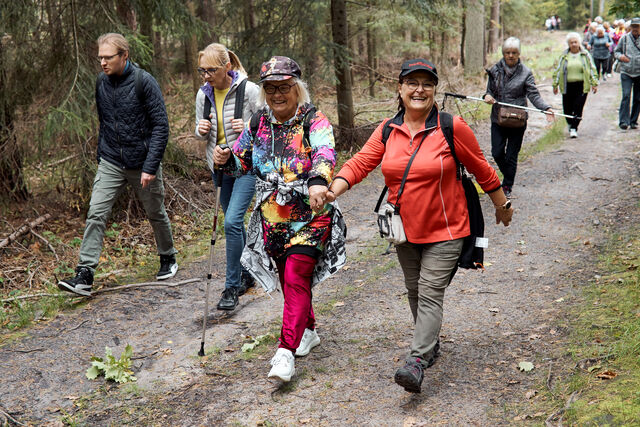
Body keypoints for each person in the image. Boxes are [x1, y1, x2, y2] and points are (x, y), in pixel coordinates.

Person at [323, 59, 513, 393]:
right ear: (400, 89)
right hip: (404, 230)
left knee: (428, 291)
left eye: (427, 83)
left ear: (434, 89)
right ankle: (430, 343)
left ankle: (417, 359)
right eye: (412, 83)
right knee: (415, 290)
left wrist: (502, 204)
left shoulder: (451, 127)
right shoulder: (387, 130)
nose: (419, 89)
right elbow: (361, 163)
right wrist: (332, 189)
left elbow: (481, 167)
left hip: (448, 228)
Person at [213, 56, 346, 382]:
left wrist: (318, 182)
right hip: (272, 218)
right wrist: (224, 158)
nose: (277, 94)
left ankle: (285, 352)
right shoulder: (258, 123)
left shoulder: (314, 120)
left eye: (284, 87)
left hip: (311, 216)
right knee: (290, 279)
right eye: (271, 88)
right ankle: (308, 330)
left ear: (297, 88)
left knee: (297, 273)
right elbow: (240, 164)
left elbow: (325, 154)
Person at [58, 33, 177, 296]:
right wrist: (103, 155)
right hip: (111, 160)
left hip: (142, 162)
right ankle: (84, 274)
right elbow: (105, 122)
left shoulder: (143, 82)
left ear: (124, 55)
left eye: (108, 57)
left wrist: (150, 166)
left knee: (155, 212)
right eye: (100, 57)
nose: (102, 62)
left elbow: (160, 127)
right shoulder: (101, 82)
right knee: (96, 213)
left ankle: (167, 256)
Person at [194, 43, 261, 311]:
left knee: (232, 222)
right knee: (235, 224)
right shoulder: (203, 95)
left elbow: (265, 127)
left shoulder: (250, 91)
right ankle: (246, 273)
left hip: (244, 165)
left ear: (227, 67)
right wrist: (200, 129)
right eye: (202, 70)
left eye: (211, 70)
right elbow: (201, 133)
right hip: (218, 167)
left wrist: (246, 127)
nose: (206, 76)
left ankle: (231, 287)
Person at [483, 37, 554, 197]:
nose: (510, 56)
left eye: (514, 52)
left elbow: (533, 95)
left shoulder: (526, 72)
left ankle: (507, 186)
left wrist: (546, 108)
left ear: (519, 53)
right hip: (498, 118)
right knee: (497, 153)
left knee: (511, 155)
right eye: (507, 52)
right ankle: (508, 175)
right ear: (503, 53)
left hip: (517, 120)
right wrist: (487, 96)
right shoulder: (494, 70)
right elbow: (489, 91)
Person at [552, 33, 598, 138]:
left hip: (581, 86)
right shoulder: (564, 56)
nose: (573, 44)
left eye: (575, 42)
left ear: (579, 43)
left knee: (578, 107)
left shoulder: (585, 55)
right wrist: (555, 84)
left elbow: (592, 69)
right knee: (567, 108)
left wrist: (594, 83)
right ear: (568, 44)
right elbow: (558, 70)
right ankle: (570, 123)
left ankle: (574, 128)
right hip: (567, 85)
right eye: (571, 42)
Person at [614, 17, 640, 130]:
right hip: (626, 71)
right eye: (634, 26)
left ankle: (633, 121)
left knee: (638, 98)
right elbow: (616, 52)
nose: (635, 29)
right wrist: (621, 57)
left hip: (639, 72)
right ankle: (623, 122)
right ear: (630, 27)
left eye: (637, 26)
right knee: (626, 95)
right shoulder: (624, 38)